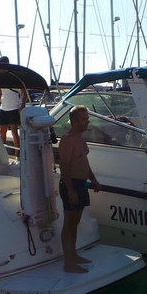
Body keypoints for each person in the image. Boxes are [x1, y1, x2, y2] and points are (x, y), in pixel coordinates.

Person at [57, 105, 100, 273]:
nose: (87, 122)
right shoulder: (68, 140)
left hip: (81, 184)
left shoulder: (81, 138)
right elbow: (64, 166)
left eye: (87, 119)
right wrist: (71, 190)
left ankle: (73, 256)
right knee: (69, 224)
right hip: (71, 184)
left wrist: (94, 180)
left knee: (75, 224)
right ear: (74, 121)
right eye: (84, 119)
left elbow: (84, 163)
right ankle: (68, 263)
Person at [0, 56, 26, 151]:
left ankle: (17, 156)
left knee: (14, 131)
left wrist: (22, 106)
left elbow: (24, 92)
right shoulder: (0, 78)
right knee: (2, 132)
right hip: (4, 108)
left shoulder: (15, 75)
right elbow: (1, 93)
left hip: (14, 107)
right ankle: (2, 154)